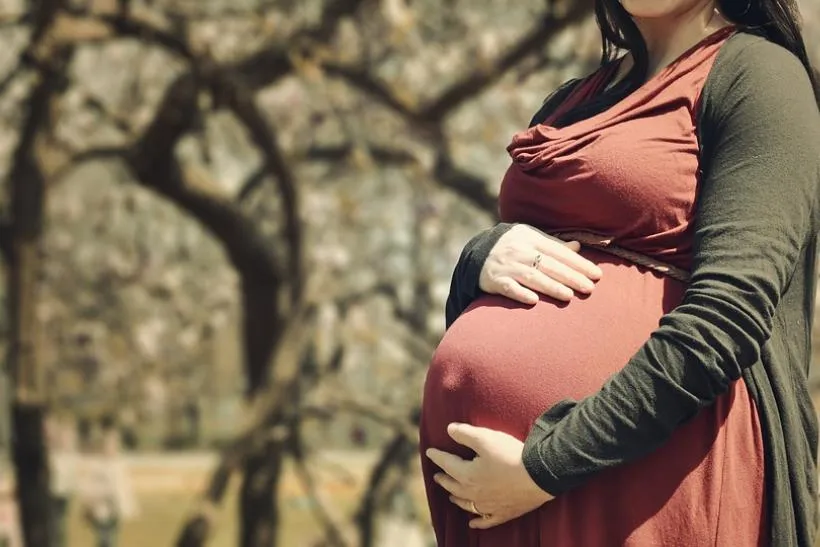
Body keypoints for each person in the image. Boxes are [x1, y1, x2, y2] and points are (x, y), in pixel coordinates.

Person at [419, 1, 820, 546]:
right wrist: (479, 257)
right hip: (503, 493)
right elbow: (528, 261)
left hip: (641, 474)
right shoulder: (573, 101)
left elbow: (729, 316)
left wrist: (546, 467)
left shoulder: (759, 75)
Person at [78, 421, 138, 547]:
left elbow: (125, 489)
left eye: (114, 444)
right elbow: (89, 488)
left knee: (112, 539)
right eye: (109, 444)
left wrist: (129, 507)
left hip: (115, 510)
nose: (111, 448)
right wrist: (92, 502)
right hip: (100, 510)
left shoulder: (119, 465)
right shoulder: (96, 465)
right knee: (104, 540)